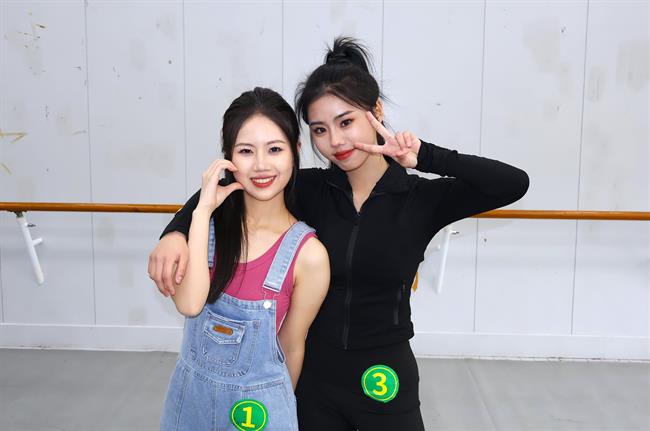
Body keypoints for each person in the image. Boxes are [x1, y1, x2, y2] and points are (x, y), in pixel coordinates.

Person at [150, 37, 529, 430]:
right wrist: (175, 232)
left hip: (385, 378)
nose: (335, 141)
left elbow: (513, 183)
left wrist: (426, 156)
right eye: (320, 129)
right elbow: (230, 182)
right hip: (314, 380)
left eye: (346, 122)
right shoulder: (308, 189)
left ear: (376, 111)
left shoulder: (420, 199)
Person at [158, 87, 329, 431]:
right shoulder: (204, 229)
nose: (261, 165)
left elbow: (292, 346)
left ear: (296, 151)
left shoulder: (309, 255)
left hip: (260, 413)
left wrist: (279, 410)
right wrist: (202, 211)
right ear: (228, 159)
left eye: (275, 149)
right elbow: (190, 304)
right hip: (189, 406)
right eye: (246, 151)